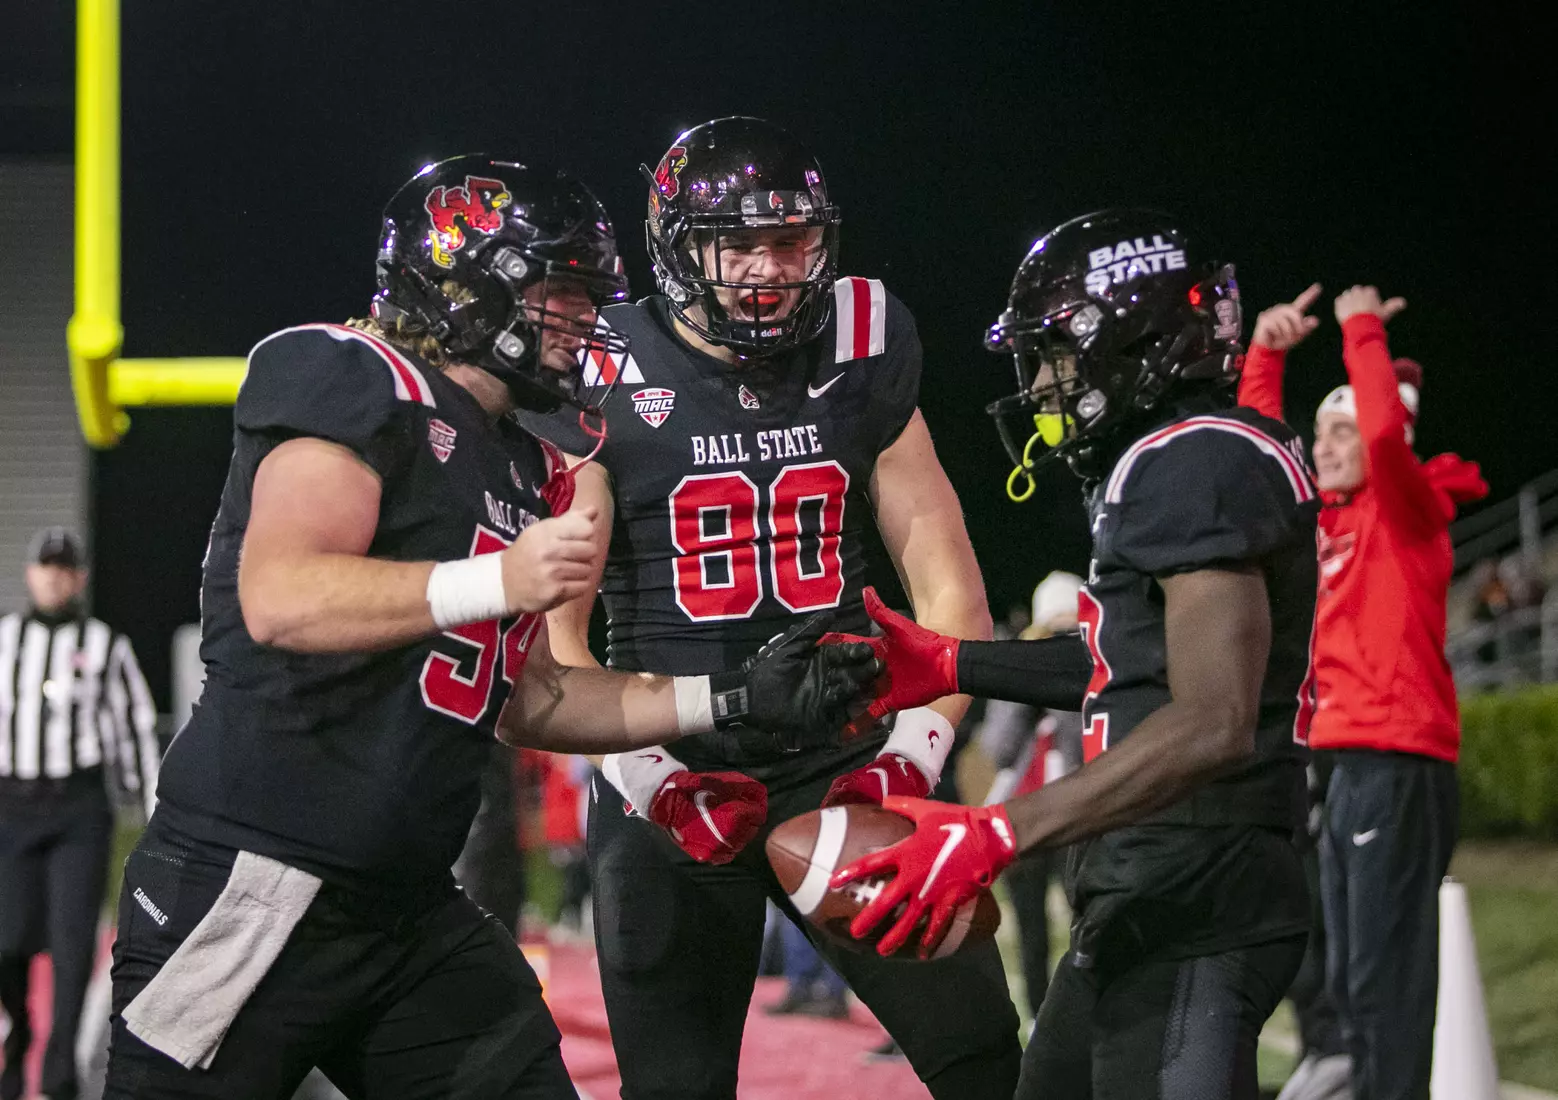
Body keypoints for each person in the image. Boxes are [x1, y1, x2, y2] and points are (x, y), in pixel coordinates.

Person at [101, 155, 876, 1100]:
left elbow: (533, 698)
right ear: (469, 286)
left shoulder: (522, 463)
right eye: (564, 294)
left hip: (406, 907)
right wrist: (499, 577)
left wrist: (731, 696)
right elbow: (283, 595)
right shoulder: (349, 372)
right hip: (255, 887)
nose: (589, 323)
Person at [516, 117, 1021, 1099]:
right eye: (738, 242)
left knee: (985, 1058)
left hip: (848, 758)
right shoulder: (605, 371)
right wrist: (657, 776)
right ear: (675, 248)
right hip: (670, 768)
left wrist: (902, 755)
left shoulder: (861, 345)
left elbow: (953, 595)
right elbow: (557, 660)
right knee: (677, 1086)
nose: (769, 268)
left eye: (790, 241)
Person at [829, 209, 1323, 1100]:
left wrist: (1003, 829)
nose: (1044, 383)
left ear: (1129, 343)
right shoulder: (1182, 456)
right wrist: (952, 664)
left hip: (1200, 906)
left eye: (1057, 353)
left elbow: (1213, 720)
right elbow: (1126, 676)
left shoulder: (1193, 459)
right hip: (1146, 897)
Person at [1237, 283, 1488, 1100]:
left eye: (1341, 431)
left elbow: (1384, 432)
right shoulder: (1328, 521)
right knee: (1347, 971)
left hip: (1395, 758)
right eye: (1322, 433)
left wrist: (1363, 333)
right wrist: (1266, 353)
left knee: (1384, 976)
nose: (1327, 445)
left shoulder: (1404, 509)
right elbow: (1258, 450)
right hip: (1343, 759)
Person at [0, 528, 159, 1100]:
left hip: (77, 807)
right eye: (46, 567)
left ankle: (60, 1073)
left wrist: (149, 809)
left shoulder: (104, 645)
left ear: (80, 578)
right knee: (8, 941)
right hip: (11, 805)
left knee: (71, 946)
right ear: (29, 573)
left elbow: (137, 725)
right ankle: (18, 1044)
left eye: (65, 568)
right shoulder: (4, 639)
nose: (54, 577)